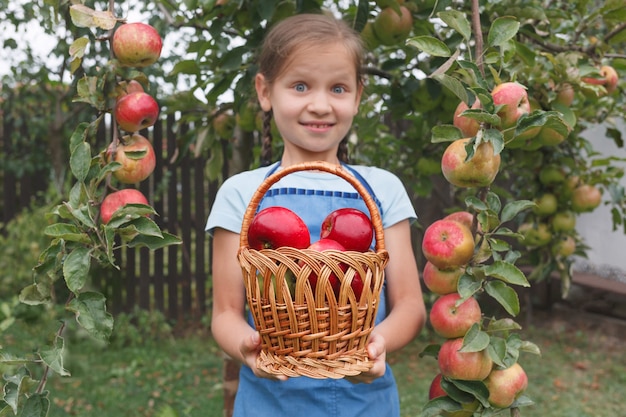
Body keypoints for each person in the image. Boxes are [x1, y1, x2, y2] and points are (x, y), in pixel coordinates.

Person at [206, 12, 426, 417]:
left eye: (338, 88)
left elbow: (410, 304)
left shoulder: (383, 189)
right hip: (269, 402)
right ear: (265, 91)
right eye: (301, 86)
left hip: (366, 402)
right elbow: (225, 313)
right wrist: (247, 349)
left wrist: (375, 346)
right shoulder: (240, 194)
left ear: (358, 96)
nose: (320, 105)